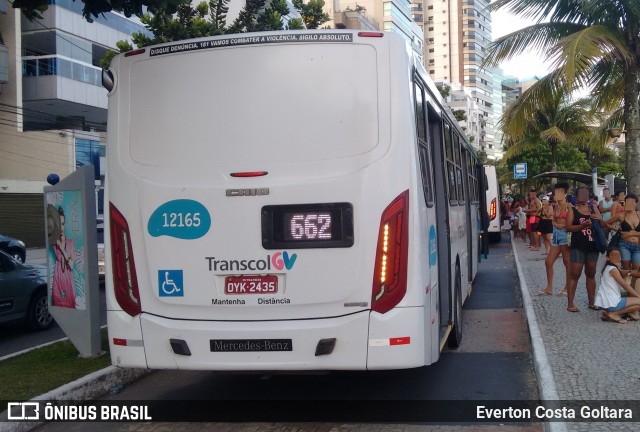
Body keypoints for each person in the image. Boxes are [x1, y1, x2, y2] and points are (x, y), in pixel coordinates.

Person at [565, 186, 604, 312]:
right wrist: (582, 226)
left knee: (591, 273)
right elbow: (568, 227)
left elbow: (602, 224)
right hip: (578, 246)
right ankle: (570, 304)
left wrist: (597, 219)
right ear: (576, 197)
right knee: (575, 274)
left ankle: (592, 302)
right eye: (581, 194)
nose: (583, 196)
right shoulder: (573, 210)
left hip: (593, 246)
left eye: (585, 194)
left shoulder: (594, 208)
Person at [537, 183, 571, 297]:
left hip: (566, 236)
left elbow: (573, 221)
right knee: (548, 262)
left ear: (565, 194)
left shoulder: (569, 206)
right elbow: (551, 220)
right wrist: (557, 224)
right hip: (556, 235)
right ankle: (549, 288)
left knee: (567, 263)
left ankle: (567, 288)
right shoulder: (556, 206)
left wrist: (565, 225)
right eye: (556, 192)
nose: (558, 195)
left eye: (560, 192)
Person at [594, 247, 640, 323]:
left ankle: (609, 312)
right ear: (608, 258)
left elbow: (626, 275)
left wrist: (629, 273)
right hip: (613, 303)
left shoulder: (609, 268)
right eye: (614, 256)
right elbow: (625, 285)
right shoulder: (613, 270)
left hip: (607, 303)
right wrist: (638, 296)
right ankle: (614, 314)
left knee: (635, 303)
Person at [605, 193, 640, 287]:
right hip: (624, 244)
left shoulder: (639, 215)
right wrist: (618, 229)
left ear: (636, 203)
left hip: (637, 245)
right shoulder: (621, 215)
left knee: (637, 270)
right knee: (626, 268)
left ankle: (635, 290)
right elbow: (607, 223)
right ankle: (629, 291)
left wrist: (631, 233)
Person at [51, 207, 76, 308]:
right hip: (57, 278)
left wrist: (62, 248)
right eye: (58, 224)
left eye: (62, 224)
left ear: (64, 225)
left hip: (67, 279)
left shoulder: (71, 242)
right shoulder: (53, 243)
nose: (61, 228)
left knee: (70, 305)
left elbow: (71, 266)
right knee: (58, 306)